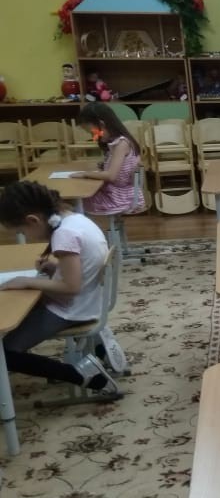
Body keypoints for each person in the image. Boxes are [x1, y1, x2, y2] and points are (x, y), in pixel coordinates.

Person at [0, 181, 118, 394]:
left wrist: (26, 281)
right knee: (16, 312)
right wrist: (55, 267)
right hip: (84, 301)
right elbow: (83, 269)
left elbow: (71, 286)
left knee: (5, 354)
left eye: (22, 231)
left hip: (70, 310)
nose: (25, 237)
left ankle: (82, 376)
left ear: (33, 220)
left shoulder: (64, 234)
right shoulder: (75, 219)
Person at [68, 102, 144, 215]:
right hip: (115, 193)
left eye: (92, 133)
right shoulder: (116, 143)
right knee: (76, 199)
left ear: (101, 124)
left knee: (76, 201)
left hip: (119, 198)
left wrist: (85, 174)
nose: (93, 137)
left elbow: (111, 176)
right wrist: (105, 165)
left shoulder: (121, 143)